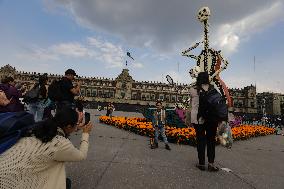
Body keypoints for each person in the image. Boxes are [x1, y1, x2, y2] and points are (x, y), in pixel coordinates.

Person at [0, 107, 93, 189]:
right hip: (9, 182)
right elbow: (81, 155)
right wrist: (85, 134)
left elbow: (64, 131)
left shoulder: (41, 126)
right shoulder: (59, 143)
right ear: (69, 126)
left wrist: (76, 126)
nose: (77, 126)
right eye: (76, 124)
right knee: (65, 182)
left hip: (4, 166)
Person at [194, 72, 227, 172]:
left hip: (201, 118)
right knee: (211, 141)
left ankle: (201, 163)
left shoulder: (195, 89)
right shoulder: (214, 88)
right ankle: (211, 164)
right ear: (208, 79)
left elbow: (194, 106)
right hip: (212, 118)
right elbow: (221, 100)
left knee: (200, 140)